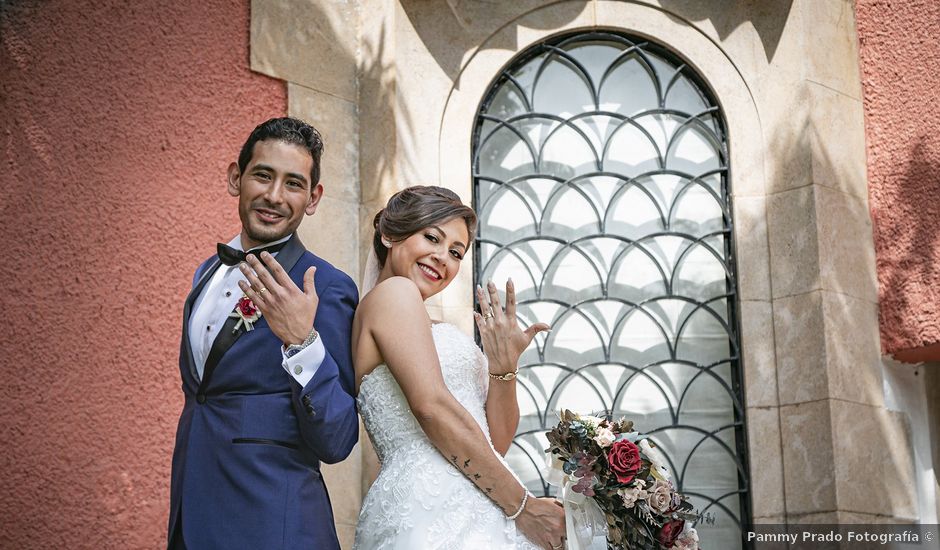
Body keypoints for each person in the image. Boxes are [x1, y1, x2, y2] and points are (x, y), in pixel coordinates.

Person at [168, 117, 359, 549]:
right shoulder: (207, 272)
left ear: (313, 198)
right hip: (191, 520)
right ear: (237, 178)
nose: (274, 196)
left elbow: (338, 438)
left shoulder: (326, 288)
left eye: (293, 184)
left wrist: (303, 342)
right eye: (263, 175)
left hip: (274, 528)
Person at [352, 186, 566, 550]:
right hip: (429, 506)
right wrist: (524, 507)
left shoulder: (424, 321)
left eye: (455, 252)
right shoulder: (394, 294)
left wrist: (503, 369)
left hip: (483, 497)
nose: (442, 258)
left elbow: (494, 442)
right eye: (431, 237)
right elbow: (431, 407)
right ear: (389, 235)